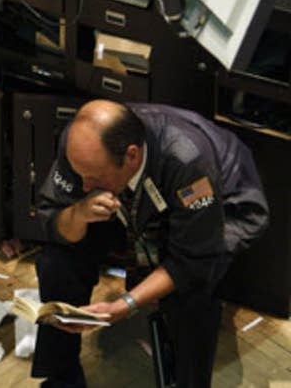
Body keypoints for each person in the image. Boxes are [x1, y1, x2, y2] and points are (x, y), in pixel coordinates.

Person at [31, 99, 269, 388]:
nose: (83, 186)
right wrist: (78, 213)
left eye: (93, 177)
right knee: (58, 261)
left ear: (131, 156)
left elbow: (191, 260)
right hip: (128, 203)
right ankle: (62, 376)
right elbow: (53, 219)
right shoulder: (82, 150)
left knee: (192, 294)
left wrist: (125, 305)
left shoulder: (188, 161)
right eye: (80, 175)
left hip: (219, 209)